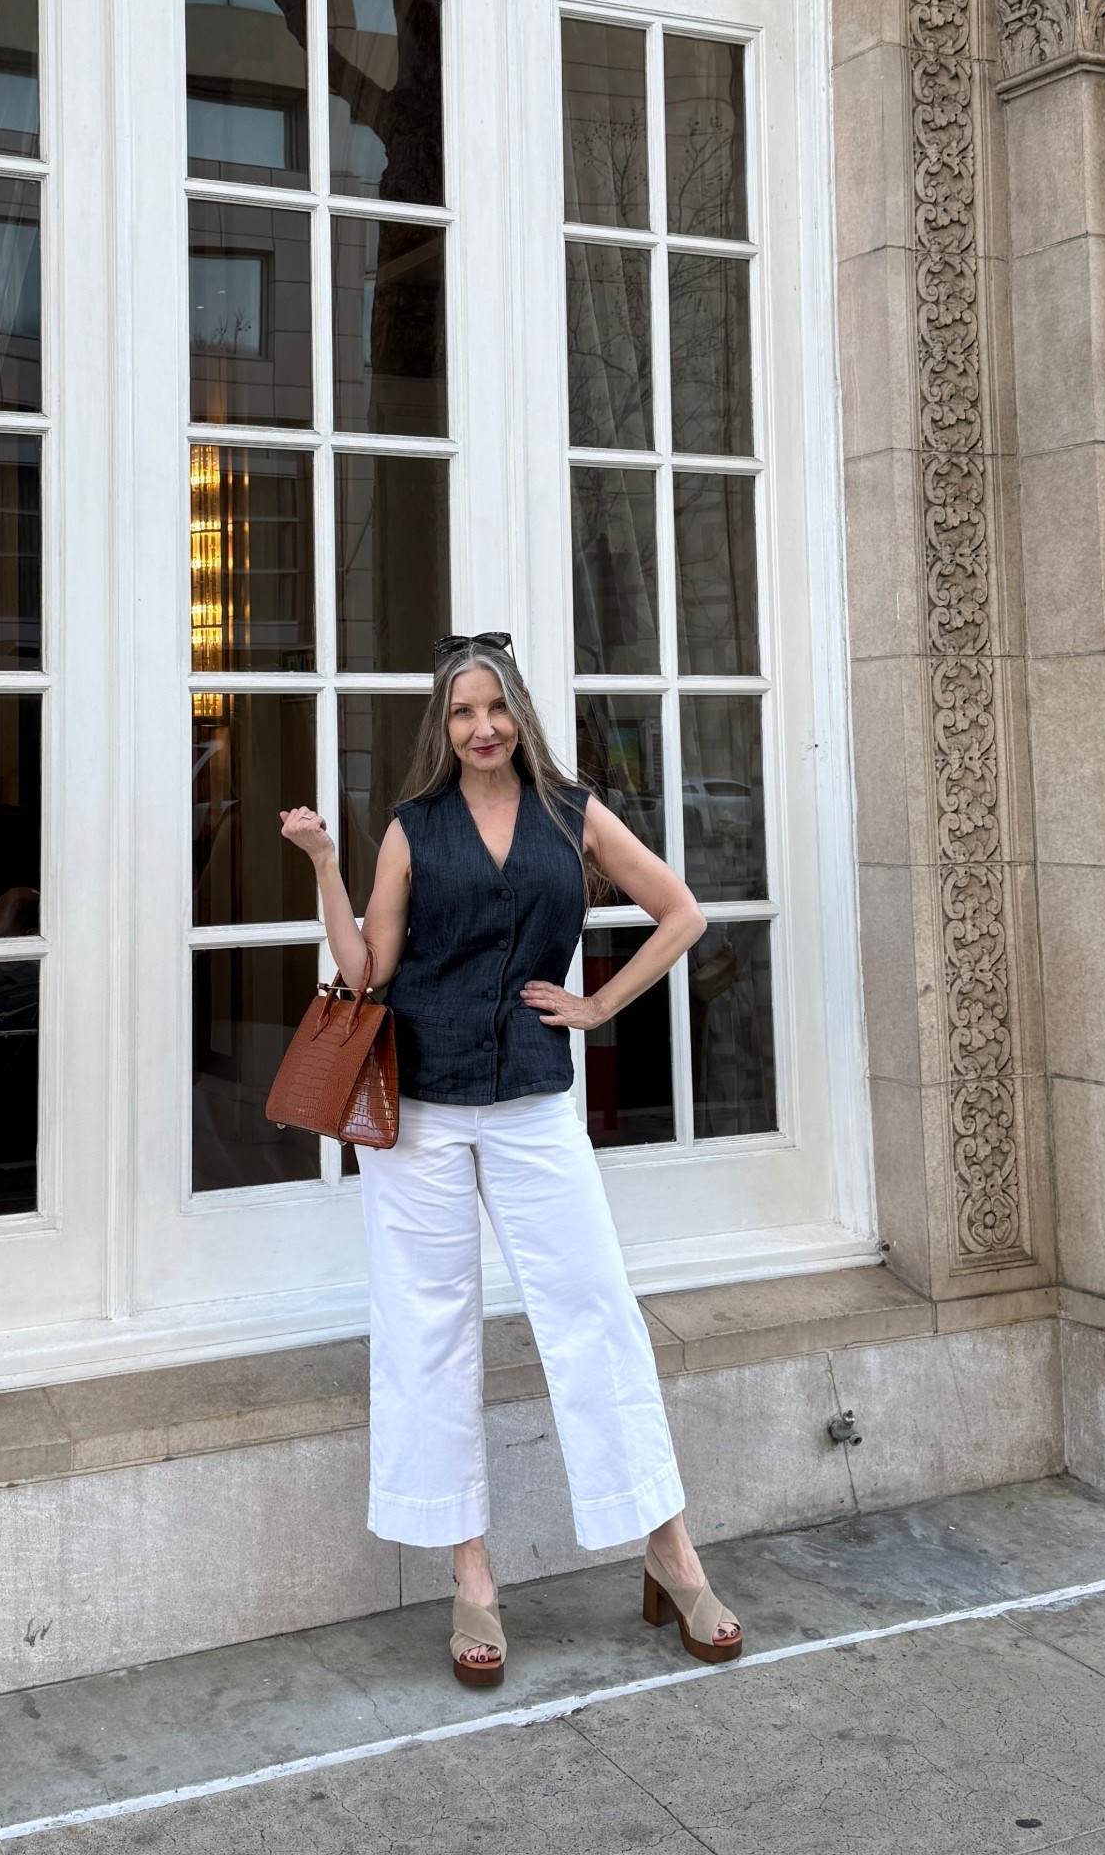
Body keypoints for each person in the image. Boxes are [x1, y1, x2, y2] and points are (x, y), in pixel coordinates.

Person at [279, 632, 740, 1686]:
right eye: (459, 713)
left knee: (595, 1311)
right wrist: (324, 865)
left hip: (533, 1102)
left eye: (493, 707)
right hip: (422, 1115)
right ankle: (471, 1576)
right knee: (427, 1327)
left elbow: (680, 911)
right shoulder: (411, 827)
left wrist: (596, 1004)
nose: (479, 727)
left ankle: (669, 1552)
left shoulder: (571, 814)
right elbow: (365, 968)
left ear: (519, 713)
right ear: (440, 730)